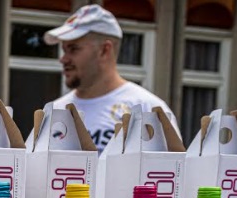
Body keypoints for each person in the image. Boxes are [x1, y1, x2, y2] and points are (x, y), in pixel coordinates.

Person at [44, 5, 178, 153]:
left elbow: (172, 166)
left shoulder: (147, 109)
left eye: (73, 49)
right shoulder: (55, 111)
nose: (63, 59)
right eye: (64, 50)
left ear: (104, 50)